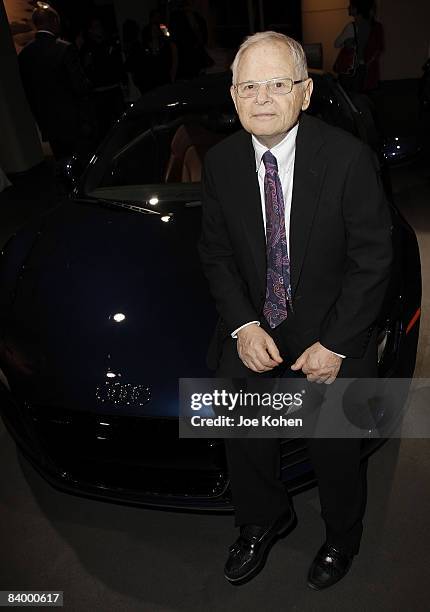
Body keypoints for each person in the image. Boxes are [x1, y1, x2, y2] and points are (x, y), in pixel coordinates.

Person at [198, 31, 393, 589]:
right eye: (249, 86)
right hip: (257, 326)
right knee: (244, 434)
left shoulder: (349, 159)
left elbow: (374, 260)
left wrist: (336, 345)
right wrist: (242, 324)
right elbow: (214, 252)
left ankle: (341, 536)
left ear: (304, 93)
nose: (262, 99)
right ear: (234, 97)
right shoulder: (221, 163)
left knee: (335, 448)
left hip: (332, 330)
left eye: (277, 84)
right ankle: (262, 520)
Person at [18, 3, 93, 160]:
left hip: (49, 124)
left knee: (62, 160)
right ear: (54, 21)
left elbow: (29, 93)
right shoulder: (64, 49)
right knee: (83, 163)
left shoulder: (25, 54)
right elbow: (80, 86)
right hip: (74, 123)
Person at [80, 16, 126, 143]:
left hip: (114, 89)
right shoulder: (87, 48)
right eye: (96, 27)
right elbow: (86, 70)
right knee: (103, 126)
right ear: (90, 30)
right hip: (99, 93)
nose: (99, 29)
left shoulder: (109, 43)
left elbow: (118, 64)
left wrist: (122, 81)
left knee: (123, 123)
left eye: (99, 26)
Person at [334, 0, 384, 93]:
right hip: (366, 69)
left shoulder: (352, 27)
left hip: (351, 69)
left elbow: (336, 43)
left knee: (349, 97)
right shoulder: (375, 27)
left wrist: (347, 43)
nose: (348, 8)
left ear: (356, 10)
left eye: (351, 6)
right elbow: (378, 48)